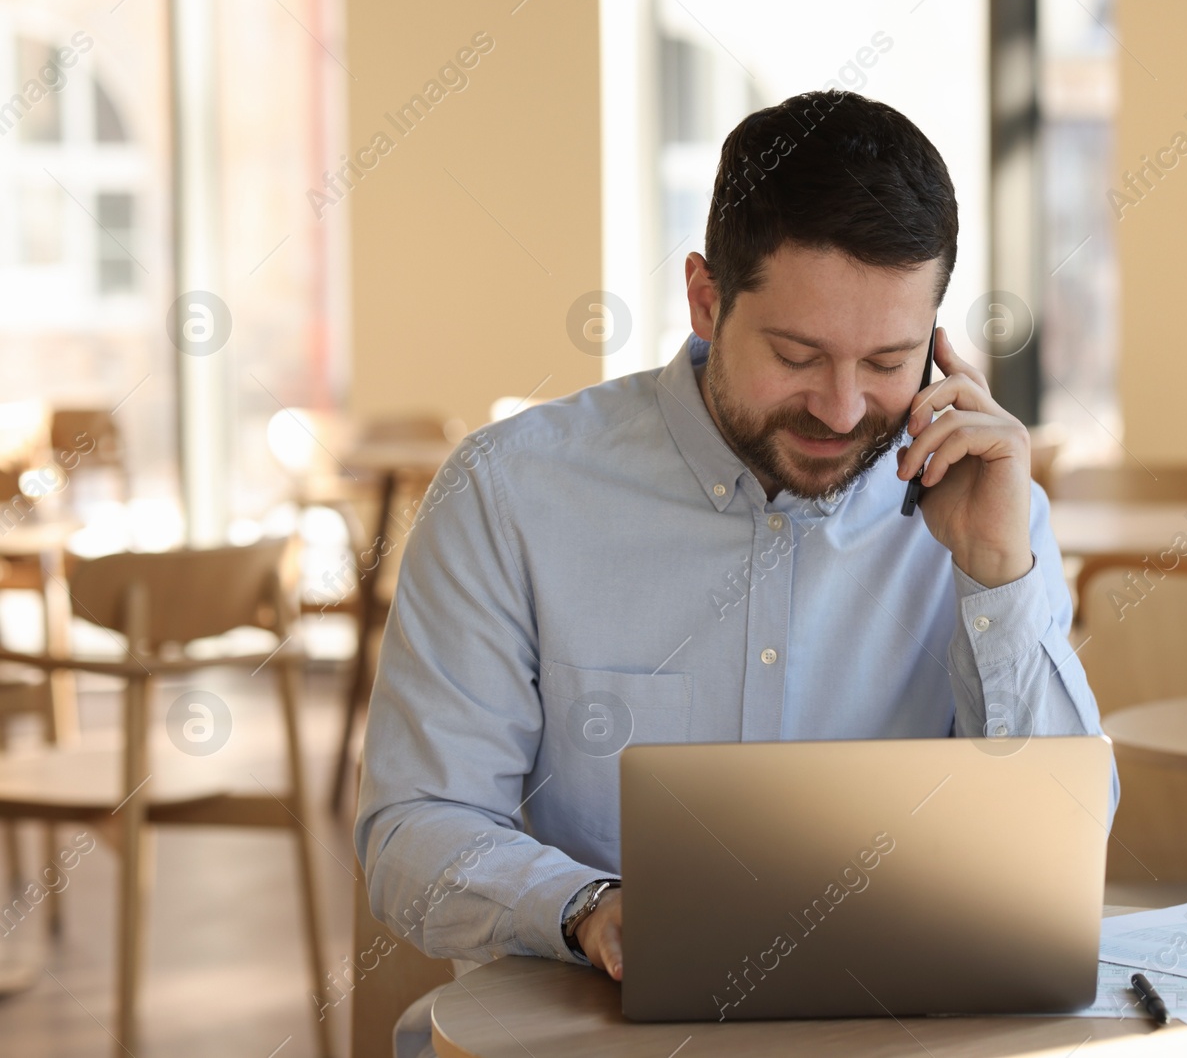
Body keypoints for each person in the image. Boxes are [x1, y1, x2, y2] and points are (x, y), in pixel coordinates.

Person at [354, 88, 1116, 1057]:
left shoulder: (985, 503)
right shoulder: (510, 493)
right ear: (705, 299)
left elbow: (1059, 852)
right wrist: (589, 907)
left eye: (887, 359)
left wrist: (998, 579)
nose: (842, 409)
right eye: (797, 354)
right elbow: (411, 827)